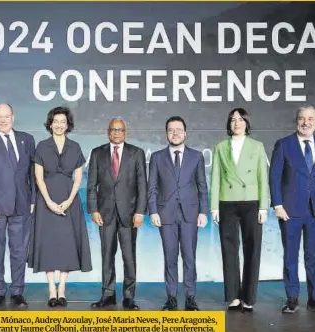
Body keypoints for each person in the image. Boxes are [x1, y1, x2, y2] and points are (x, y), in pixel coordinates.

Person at [269, 105, 315, 314]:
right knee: (290, 255)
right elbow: (274, 178)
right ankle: (292, 298)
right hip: (289, 210)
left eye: (310, 119)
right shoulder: (283, 145)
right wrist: (278, 205)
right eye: (301, 118)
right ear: (296, 121)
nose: (305, 123)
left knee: (314, 255)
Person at [27, 106, 92, 307]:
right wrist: (48, 201)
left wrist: (69, 200)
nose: (59, 125)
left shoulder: (76, 147)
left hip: (68, 202)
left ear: (68, 124)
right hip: (46, 201)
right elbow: (38, 177)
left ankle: (62, 289)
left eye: (63, 122)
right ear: (50, 123)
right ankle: (51, 290)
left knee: (66, 246)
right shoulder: (42, 146)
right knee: (48, 246)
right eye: (56, 121)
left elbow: (78, 179)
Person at [0, 103, 36, 308]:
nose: (3, 120)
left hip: (22, 205)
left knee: (19, 250)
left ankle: (18, 292)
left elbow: (32, 174)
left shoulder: (27, 139)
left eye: (7, 116)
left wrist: (33, 200)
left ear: (13, 117)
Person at [210, 108, 269, 312]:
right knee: (229, 250)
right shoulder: (220, 146)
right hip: (227, 202)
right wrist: (214, 206)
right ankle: (233, 296)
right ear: (229, 124)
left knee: (253, 250)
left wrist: (264, 205)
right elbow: (215, 176)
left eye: (240, 119)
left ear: (246, 123)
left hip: (251, 202)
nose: (236, 123)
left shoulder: (257, 146)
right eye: (233, 120)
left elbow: (263, 177)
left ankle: (249, 297)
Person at [148, 116, 209, 311]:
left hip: (190, 214)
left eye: (179, 129)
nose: (175, 133)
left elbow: (202, 186)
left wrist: (203, 211)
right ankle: (171, 298)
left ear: (185, 133)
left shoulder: (196, 156)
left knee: (189, 258)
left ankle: (190, 297)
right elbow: (152, 188)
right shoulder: (157, 157)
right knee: (170, 258)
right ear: (166, 133)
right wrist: (153, 211)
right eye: (171, 130)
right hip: (165, 215)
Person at [87, 117, 147, 310]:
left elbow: (142, 186)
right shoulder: (97, 153)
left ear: (125, 133)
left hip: (129, 214)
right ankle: (108, 294)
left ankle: (129, 297)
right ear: (108, 132)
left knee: (129, 257)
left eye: (120, 130)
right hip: (105, 214)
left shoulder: (136, 153)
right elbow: (91, 185)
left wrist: (140, 212)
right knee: (107, 255)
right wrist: (94, 209)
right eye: (113, 129)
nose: (116, 133)